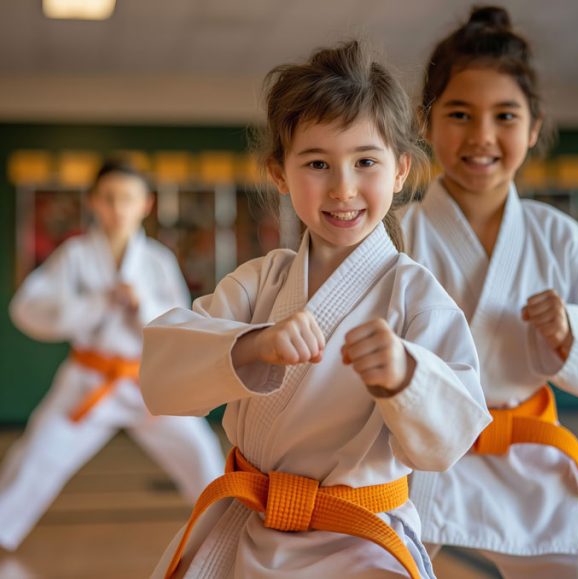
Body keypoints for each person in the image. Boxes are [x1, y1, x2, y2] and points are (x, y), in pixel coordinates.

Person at [139, 40, 491, 579]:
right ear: (280, 173)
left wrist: (406, 375)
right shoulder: (259, 283)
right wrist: (253, 345)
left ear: (400, 170)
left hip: (361, 540)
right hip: (248, 525)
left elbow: (450, 440)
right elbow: (163, 377)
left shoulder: (416, 295)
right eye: (318, 163)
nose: (343, 188)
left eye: (365, 161)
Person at [401, 6, 578, 578]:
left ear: (534, 127)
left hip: (525, 454)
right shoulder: (398, 235)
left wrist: (570, 331)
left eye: (505, 116)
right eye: (459, 114)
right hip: (419, 454)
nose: (482, 136)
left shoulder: (560, 240)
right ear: (426, 122)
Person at [0, 159, 225, 552]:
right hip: (90, 378)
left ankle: (228, 526)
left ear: (146, 204)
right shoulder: (75, 255)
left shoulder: (156, 260)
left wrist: (141, 305)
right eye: (108, 197)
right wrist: (97, 303)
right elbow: (28, 307)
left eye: (127, 197)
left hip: (147, 381)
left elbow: (180, 321)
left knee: (198, 450)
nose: (118, 207)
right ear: (93, 202)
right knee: (38, 452)